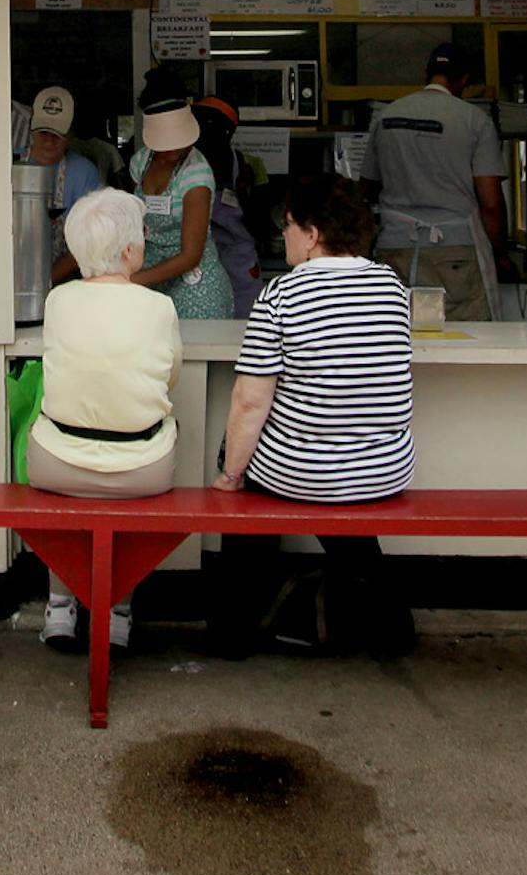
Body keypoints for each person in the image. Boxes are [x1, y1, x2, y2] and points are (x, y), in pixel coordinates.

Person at [209, 174, 415, 657]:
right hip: (383, 470)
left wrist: (230, 474)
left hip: (306, 473)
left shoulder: (283, 294)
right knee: (345, 501)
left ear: (313, 233)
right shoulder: (391, 285)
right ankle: (390, 627)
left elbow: (249, 401)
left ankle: (232, 633)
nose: (284, 237)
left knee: (247, 489)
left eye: (288, 226)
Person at [30, 189, 181, 652]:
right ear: (131, 250)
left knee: (58, 463)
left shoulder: (57, 302)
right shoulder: (159, 308)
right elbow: (169, 379)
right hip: (142, 472)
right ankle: (117, 612)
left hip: (56, 464)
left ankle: (59, 607)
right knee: (159, 430)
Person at [357, 41, 506, 320]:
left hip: (395, 249)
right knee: (464, 338)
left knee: (398, 332)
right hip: (455, 253)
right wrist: (500, 253)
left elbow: (364, 189)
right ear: (464, 79)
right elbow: (491, 203)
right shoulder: (475, 120)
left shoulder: (386, 117)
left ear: (426, 73)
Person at [127, 96, 235, 320]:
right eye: (166, 145)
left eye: (180, 142)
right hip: (149, 276)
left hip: (194, 287)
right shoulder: (141, 162)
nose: (174, 151)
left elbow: (190, 256)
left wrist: (129, 281)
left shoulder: (197, 175)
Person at [22, 84, 101, 284]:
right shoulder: (9, 164)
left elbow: (90, 241)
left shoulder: (84, 172)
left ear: (71, 135)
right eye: (43, 133)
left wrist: (45, 282)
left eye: (57, 135)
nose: (49, 142)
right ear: (31, 129)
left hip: (64, 281)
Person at [193, 95, 262, 316]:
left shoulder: (244, 165)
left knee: (245, 324)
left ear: (226, 130)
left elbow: (259, 217)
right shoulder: (187, 162)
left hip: (236, 256)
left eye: (207, 123)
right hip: (199, 256)